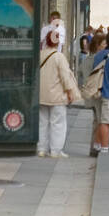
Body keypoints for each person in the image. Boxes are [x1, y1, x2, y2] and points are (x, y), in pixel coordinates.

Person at [37, 27, 81, 158]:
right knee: (58, 123)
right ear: (57, 43)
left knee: (42, 122)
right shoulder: (59, 57)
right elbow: (64, 76)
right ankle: (56, 150)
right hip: (56, 95)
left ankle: (41, 149)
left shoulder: (40, 54)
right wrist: (70, 91)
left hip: (42, 94)